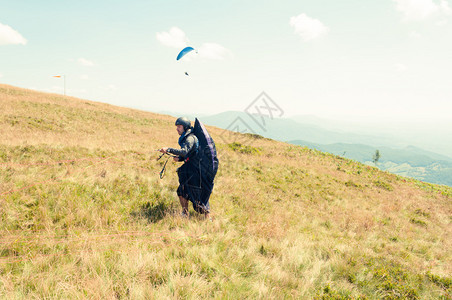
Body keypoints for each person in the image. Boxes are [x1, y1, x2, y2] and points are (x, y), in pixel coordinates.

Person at [159, 117, 210, 218]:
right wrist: (181, 159)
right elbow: (190, 154)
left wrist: (168, 149)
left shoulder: (190, 138)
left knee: (197, 193)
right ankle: (185, 213)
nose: (177, 129)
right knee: (182, 190)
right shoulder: (186, 137)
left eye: (179, 126)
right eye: (176, 127)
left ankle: (208, 218)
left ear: (185, 127)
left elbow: (184, 151)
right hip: (189, 168)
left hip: (195, 170)